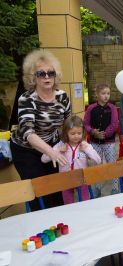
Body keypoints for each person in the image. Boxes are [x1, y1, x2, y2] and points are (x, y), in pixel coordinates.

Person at [10, 50, 71, 211]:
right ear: (33, 77)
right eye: (41, 73)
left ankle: (60, 225)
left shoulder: (62, 97)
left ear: (56, 75)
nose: (46, 77)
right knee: (38, 192)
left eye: (50, 73)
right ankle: (42, 229)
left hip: (51, 145)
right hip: (26, 149)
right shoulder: (27, 99)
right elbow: (28, 133)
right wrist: (52, 152)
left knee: (55, 189)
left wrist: (71, 144)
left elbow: (68, 124)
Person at [41, 115, 101, 204]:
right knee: (68, 204)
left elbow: (98, 160)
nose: (76, 136)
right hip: (66, 181)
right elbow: (43, 159)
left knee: (86, 203)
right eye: (72, 133)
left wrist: (87, 150)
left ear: (83, 132)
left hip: (82, 179)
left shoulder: (85, 145)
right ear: (66, 133)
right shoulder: (60, 145)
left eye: (79, 133)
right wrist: (57, 151)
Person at [84, 84, 119, 195]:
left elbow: (114, 124)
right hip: (95, 143)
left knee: (112, 165)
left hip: (109, 143)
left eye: (108, 93)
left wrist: (105, 134)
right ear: (97, 95)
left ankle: (115, 188)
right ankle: (97, 189)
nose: (106, 96)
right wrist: (93, 131)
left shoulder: (112, 108)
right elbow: (86, 123)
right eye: (103, 93)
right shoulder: (91, 108)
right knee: (96, 166)